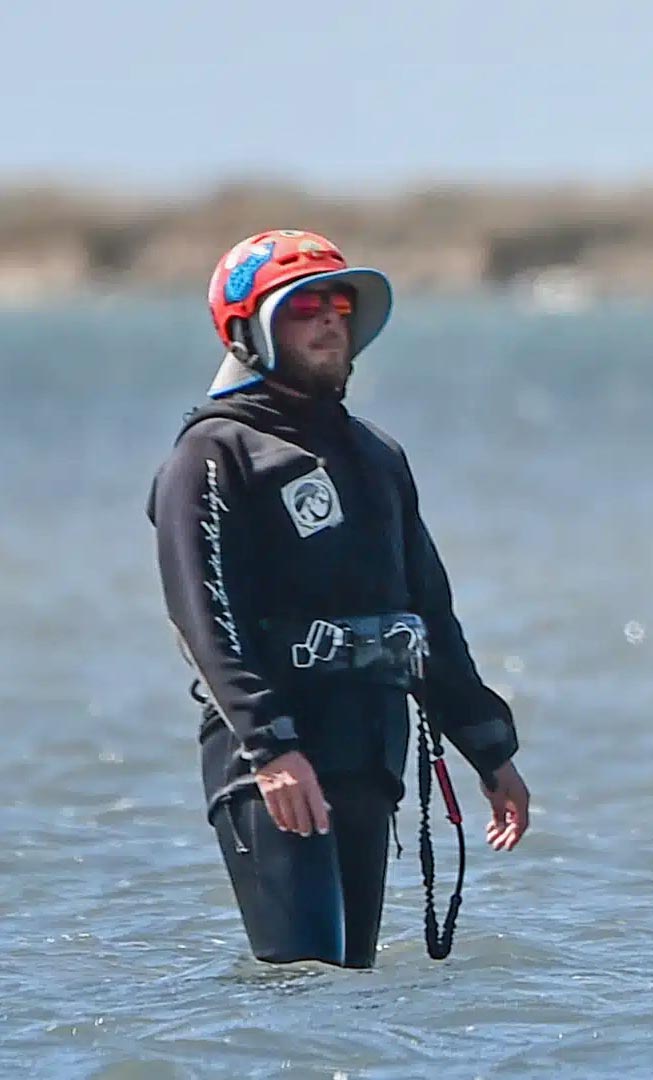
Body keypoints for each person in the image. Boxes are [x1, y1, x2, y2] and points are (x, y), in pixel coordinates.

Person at [147, 229, 531, 967]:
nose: (328, 319)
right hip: (274, 765)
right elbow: (202, 619)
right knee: (300, 983)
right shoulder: (214, 454)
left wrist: (489, 748)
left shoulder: (378, 456)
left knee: (349, 989)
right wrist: (272, 748)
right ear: (252, 332)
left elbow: (429, 616)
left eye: (338, 305)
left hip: (368, 755)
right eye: (303, 307)